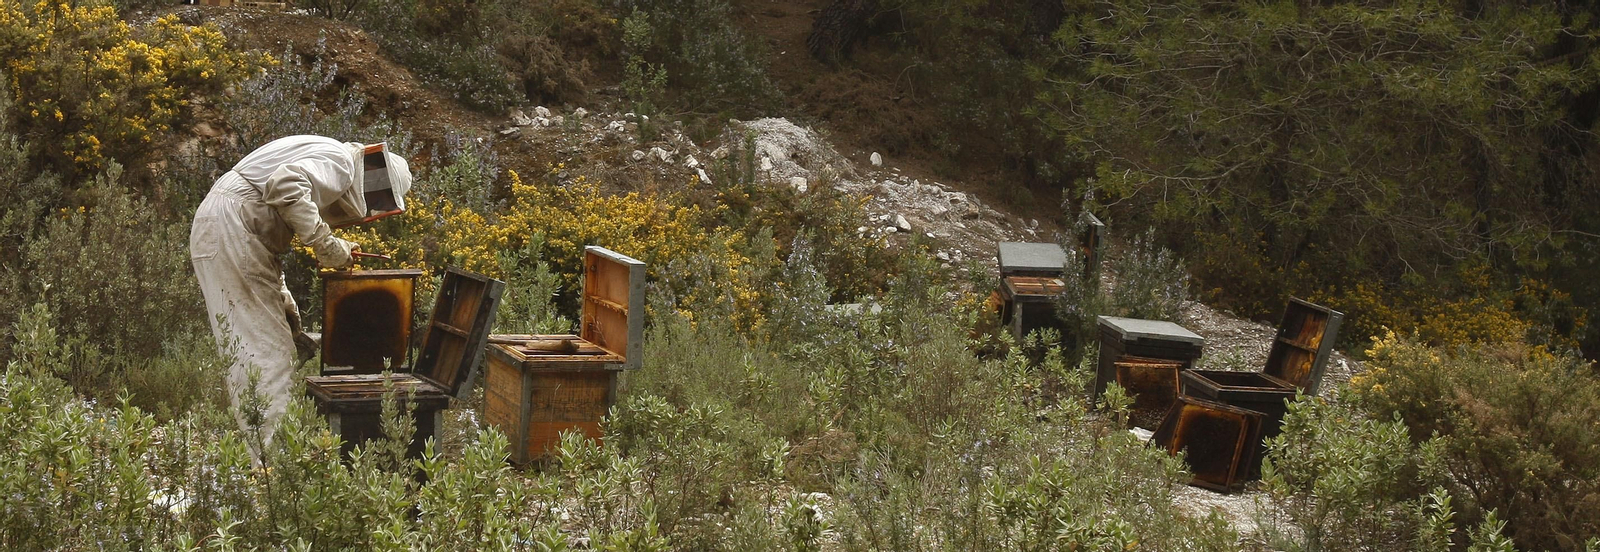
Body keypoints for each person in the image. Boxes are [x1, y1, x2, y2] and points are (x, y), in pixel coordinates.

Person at [190, 135, 411, 449]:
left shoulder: (327, 152)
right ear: (376, 177)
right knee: (267, 355)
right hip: (236, 227)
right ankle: (272, 473)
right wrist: (328, 245)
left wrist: (296, 329)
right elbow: (285, 186)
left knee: (277, 337)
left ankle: (265, 456)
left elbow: (274, 206)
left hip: (235, 228)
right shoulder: (341, 161)